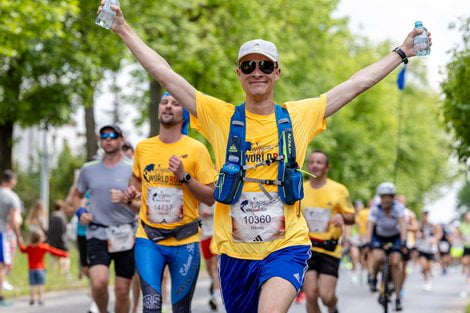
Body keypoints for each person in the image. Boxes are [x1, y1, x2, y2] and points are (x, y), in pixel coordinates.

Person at [100, 2, 432, 311]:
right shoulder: (220, 116)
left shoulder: (299, 115)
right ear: (239, 73)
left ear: (277, 72)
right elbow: (165, 74)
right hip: (234, 254)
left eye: (265, 65)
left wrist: (402, 52)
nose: (256, 71)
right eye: (248, 66)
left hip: (287, 246)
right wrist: (123, 29)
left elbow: (356, 83)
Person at [123, 92, 217, 313]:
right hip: (149, 239)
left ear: (183, 114)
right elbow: (136, 181)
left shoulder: (196, 149)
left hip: (186, 241)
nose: (168, 107)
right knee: (151, 304)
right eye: (164, 102)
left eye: (175, 104)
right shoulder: (143, 148)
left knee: (181, 309)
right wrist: (131, 193)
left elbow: (210, 197)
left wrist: (184, 176)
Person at [68, 124, 137, 313]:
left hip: (126, 233)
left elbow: (144, 200)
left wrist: (127, 199)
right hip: (97, 232)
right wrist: (81, 213)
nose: (108, 139)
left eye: (113, 135)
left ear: (121, 141)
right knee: (99, 283)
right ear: (100, 141)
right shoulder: (88, 169)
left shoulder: (132, 168)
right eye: (104, 136)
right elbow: (75, 196)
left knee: (122, 290)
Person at [301, 150, 355, 313]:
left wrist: (342, 218)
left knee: (326, 296)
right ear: (308, 165)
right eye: (312, 162)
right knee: (310, 295)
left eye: (319, 162)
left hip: (330, 248)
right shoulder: (300, 189)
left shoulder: (339, 189)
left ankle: (333, 306)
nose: (315, 165)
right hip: (307, 248)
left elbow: (352, 217)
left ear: (327, 167)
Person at [366, 182, 407, 311]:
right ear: (380, 197)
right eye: (384, 196)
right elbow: (370, 226)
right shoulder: (375, 208)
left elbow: (403, 225)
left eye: (389, 196)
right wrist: (368, 242)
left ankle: (398, 298)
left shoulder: (398, 207)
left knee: (395, 263)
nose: (386, 199)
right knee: (378, 257)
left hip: (395, 236)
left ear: (393, 197)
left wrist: (404, 242)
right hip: (379, 235)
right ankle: (373, 276)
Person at [17, 229, 68, 305]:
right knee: (40, 285)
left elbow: (22, 250)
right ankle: (40, 299)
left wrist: (20, 242)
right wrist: (65, 254)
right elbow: (54, 251)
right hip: (40, 269)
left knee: (32, 285)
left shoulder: (29, 247)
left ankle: (32, 298)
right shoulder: (43, 247)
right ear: (41, 238)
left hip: (31, 269)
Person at [0, 169, 23, 306]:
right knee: (2, 266)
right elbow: (14, 220)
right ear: (12, 180)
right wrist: (19, 236)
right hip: (2, 232)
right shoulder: (11, 197)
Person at [199, 202, 222, 311]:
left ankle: (216, 295)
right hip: (204, 234)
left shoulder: (218, 189)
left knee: (214, 266)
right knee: (209, 266)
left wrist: (211, 212)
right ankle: (215, 282)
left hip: (216, 233)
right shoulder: (199, 191)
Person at [416, 209, 441, 291]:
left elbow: (439, 233)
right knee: (424, 265)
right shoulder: (420, 224)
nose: (425, 217)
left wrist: (435, 239)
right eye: (424, 215)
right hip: (422, 248)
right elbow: (416, 232)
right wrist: (418, 234)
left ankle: (429, 279)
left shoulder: (433, 224)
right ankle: (426, 281)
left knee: (429, 267)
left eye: (426, 215)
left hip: (431, 249)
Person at [47, 200, 70, 275]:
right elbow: (64, 229)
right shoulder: (62, 217)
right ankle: (63, 272)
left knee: (54, 257)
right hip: (61, 240)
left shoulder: (51, 216)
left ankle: (52, 272)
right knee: (65, 256)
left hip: (52, 240)